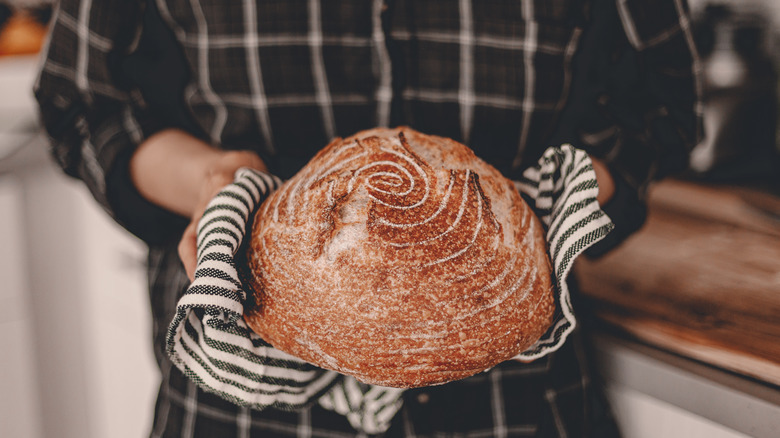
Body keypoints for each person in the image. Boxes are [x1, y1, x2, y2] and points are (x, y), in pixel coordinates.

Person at [34, 0, 701, 436]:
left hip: (520, 407)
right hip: (242, 414)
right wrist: (212, 181)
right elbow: (84, 104)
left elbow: (658, 110)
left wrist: (545, 218)